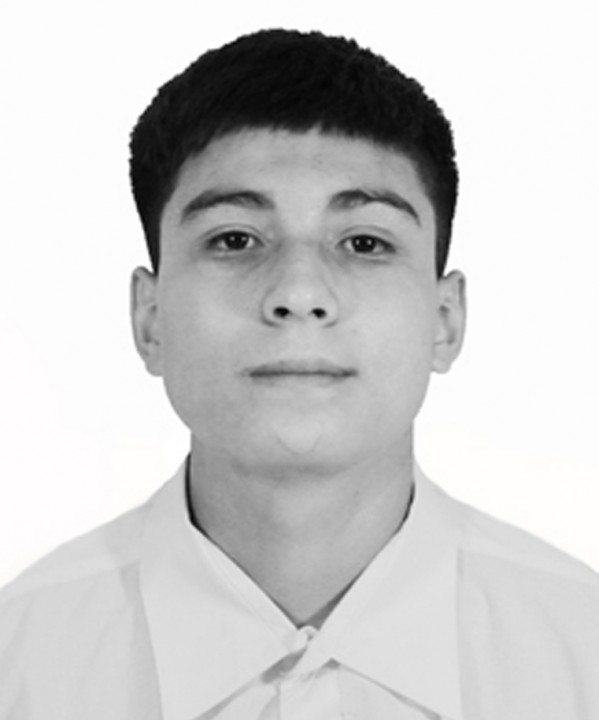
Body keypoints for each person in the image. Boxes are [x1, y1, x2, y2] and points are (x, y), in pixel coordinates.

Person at [0, 28, 597, 720]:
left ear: (445, 318)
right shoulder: (20, 663)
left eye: (365, 242)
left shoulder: (580, 655)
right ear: (150, 317)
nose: (298, 292)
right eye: (234, 240)